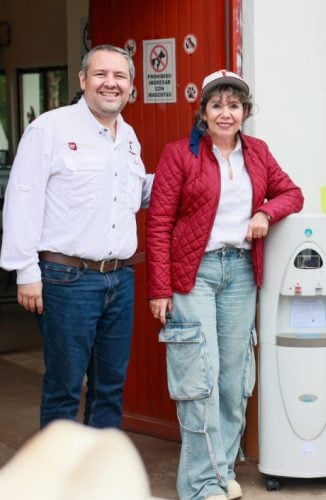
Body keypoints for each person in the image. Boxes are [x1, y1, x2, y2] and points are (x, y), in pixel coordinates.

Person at [146, 70, 304, 500]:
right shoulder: (179, 155)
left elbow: (293, 192)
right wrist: (160, 288)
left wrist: (266, 213)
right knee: (200, 378)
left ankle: (220, 471)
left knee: (235, 381)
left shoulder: (257, 154)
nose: (225, 112)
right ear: (203, 113)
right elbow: (158, 224)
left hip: (239, 274)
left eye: (234, 105)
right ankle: (200, 485)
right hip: (192, 275)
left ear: (245, 113)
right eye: (217, 104)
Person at [0, 44, 152, 429]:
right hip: (66, 280)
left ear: (131, 87)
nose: (110, 83)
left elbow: (132, 194)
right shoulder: (50, 129)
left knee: (110, 387)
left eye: (120, 77)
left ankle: (97, 478)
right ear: (83, 80)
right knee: (64, 388)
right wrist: (25, 271)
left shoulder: (129, 137)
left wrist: (184, 180)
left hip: (119, 278)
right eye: (101, 74)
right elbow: (22, 198)